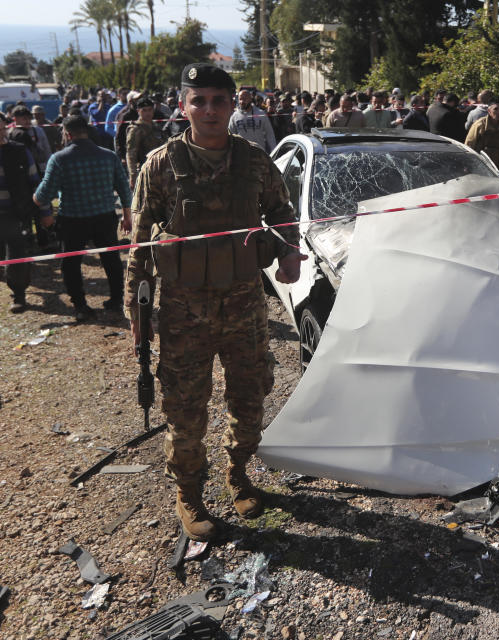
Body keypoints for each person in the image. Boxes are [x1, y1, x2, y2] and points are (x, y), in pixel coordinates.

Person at [124, 63, 304, 541]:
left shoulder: (253, 160)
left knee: (250, 396)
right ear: (183, 105)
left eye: (217, 100)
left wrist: (289, 253)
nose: (208, 109)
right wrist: (135, 312)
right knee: (185, 409)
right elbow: (139, 243)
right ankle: (190, 493)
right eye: (197, 100)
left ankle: (238, 474)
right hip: (184, 313)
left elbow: (282, 211)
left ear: (232, 105)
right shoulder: (160, 165)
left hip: (245, 306)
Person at [33, 115, 132, 320]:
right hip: (104, 216)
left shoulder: (59, 159)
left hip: (73, 219)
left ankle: (80, 306)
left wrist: (35, 199)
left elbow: (44, 195)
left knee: (71, 263)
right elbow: (124, 187)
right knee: (111, 259)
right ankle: (116, 299)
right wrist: (127, 215)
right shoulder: (108, 156)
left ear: (67, 134)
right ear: (86, 131)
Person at [1, 122, 48, 312]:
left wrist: (45, 211)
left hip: (16, 213)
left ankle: (18, 294)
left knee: (16, 255)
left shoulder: (19, 151)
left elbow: (35, 181)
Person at [125, 96, 167, 189]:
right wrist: (133, 175)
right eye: (144, 110)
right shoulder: (136, 129)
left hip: (161, 170)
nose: (148, 113)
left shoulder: (156, 126)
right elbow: (131, 154)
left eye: (150, 110)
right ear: (138, 111)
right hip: (145, 170)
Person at [465, 98, 499, 176]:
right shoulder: (480, 124)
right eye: (495, 109)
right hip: (482, 161)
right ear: (489, 111)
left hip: (497, 163)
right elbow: (469, 144)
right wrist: (467, 163)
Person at [8, 105, 52, 173]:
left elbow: (47, 150)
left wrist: (49, 167)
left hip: (40, 169)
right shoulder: (9, 133)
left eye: (29, 118)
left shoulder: (38, 131)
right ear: (15, 119)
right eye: (24, 118)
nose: (28, 121)